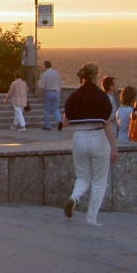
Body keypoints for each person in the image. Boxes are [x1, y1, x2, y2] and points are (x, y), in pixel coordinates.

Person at [61, 62, 116, 226]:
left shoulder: (74, 96)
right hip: (98, 136)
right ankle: (91, 219)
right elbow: (107, 124)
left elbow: (65, 122)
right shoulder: (102, 97)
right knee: (99, 181)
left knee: (83, 176)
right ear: (96, 76)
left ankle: (74, 197)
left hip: (79, 138)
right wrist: (114, 148)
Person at [39, 59, 63, 131]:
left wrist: (41, 95)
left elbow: (41, 85)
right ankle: (59, 121)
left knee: (46, 110)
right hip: (57, 92)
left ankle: (48, 126)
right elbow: (60, 83)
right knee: (55, 109)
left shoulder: (45, 74)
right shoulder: (56, 73)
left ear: (45, 66)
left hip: (49, 92)